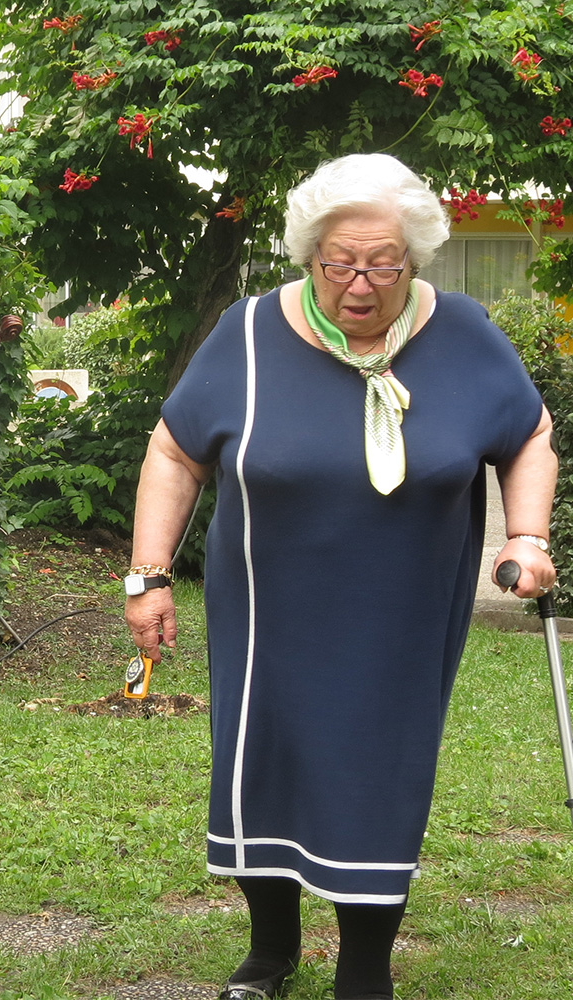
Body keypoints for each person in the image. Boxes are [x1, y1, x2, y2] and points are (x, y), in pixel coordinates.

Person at [123, 153, 557, 1000]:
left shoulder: (462, 332)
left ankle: (364, 966)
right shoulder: (248, 335)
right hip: (268, 609)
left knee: (377, 771)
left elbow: (530, 432)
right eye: (338, 264)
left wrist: (531, 535)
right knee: (264, 763)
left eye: (382, 266)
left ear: (415, 259)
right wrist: (148, 574)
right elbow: (174, 451)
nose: (359, 285)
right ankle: (270, 952)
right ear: (309, 254)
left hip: (399, 613)